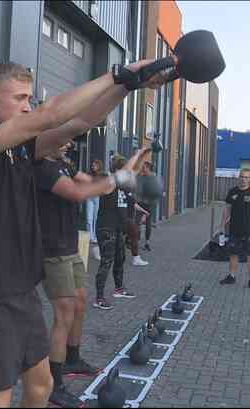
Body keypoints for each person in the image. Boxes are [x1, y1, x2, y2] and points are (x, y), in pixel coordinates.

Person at [0, 60, 167, 407]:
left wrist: (128, 86)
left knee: (41, 385)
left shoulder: (20, 151)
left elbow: (77, 122)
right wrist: (114, 74)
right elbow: (50, 115)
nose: (27, 106)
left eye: (29, 99)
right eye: (19, 98)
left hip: (23, 291)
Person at [36, 142, 149, 407]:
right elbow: (78, 193)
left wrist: (134, 159)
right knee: (63, 313)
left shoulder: (66, 164)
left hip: (70, 244)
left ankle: (72, 359)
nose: (68, 142)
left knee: (80, 302)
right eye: (63, 137)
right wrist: (118, 176)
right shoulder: (42, 168)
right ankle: (53, 384)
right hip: (52, 250)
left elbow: (103, 184)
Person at [93, 154, 139, 310]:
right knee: (107, 261)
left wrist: (140, 210)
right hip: (106, 227)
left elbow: (127, 202)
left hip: (119, 227)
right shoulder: (109, 182)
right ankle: (99, 298)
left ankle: (119, 289)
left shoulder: (124, 185)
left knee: (120, 258)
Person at [218, 168, 250, 289]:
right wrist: (222, 225)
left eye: (246, 177)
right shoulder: (232, 192)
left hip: (249, 230)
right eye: (242, 177)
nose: (243, 179)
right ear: (239, 177)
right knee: (233, 254)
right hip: (234, 229)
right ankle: (231, 276)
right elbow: (227, 209)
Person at [124, 187, 150, 267]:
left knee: (131, 237)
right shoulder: (123, 192)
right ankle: (136, 258)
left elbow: (134, 204)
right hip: (126, 218)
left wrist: (144, 211)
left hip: (128, 218)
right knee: (134, 236)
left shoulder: (128, 192)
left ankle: (135, 258)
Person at [86, 160, 104, 261]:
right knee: (89, 218)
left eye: (95, 165)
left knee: (96, 217)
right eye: (92, 165)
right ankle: (90, 236)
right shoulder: (89, 174)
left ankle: (96, 236)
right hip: (89, 197)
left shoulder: (101, 175)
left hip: (97, 197)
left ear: (99, 166)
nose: (93, 166)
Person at [138, 161, 155, 252]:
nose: (142, 168)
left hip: (149, 204)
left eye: (144, 167)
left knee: (147, 223)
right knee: (138, 222)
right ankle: (136, 240)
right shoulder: (142, 177)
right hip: (141, 203)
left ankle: (147, 243)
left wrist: (146, 212)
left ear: (148, 168)